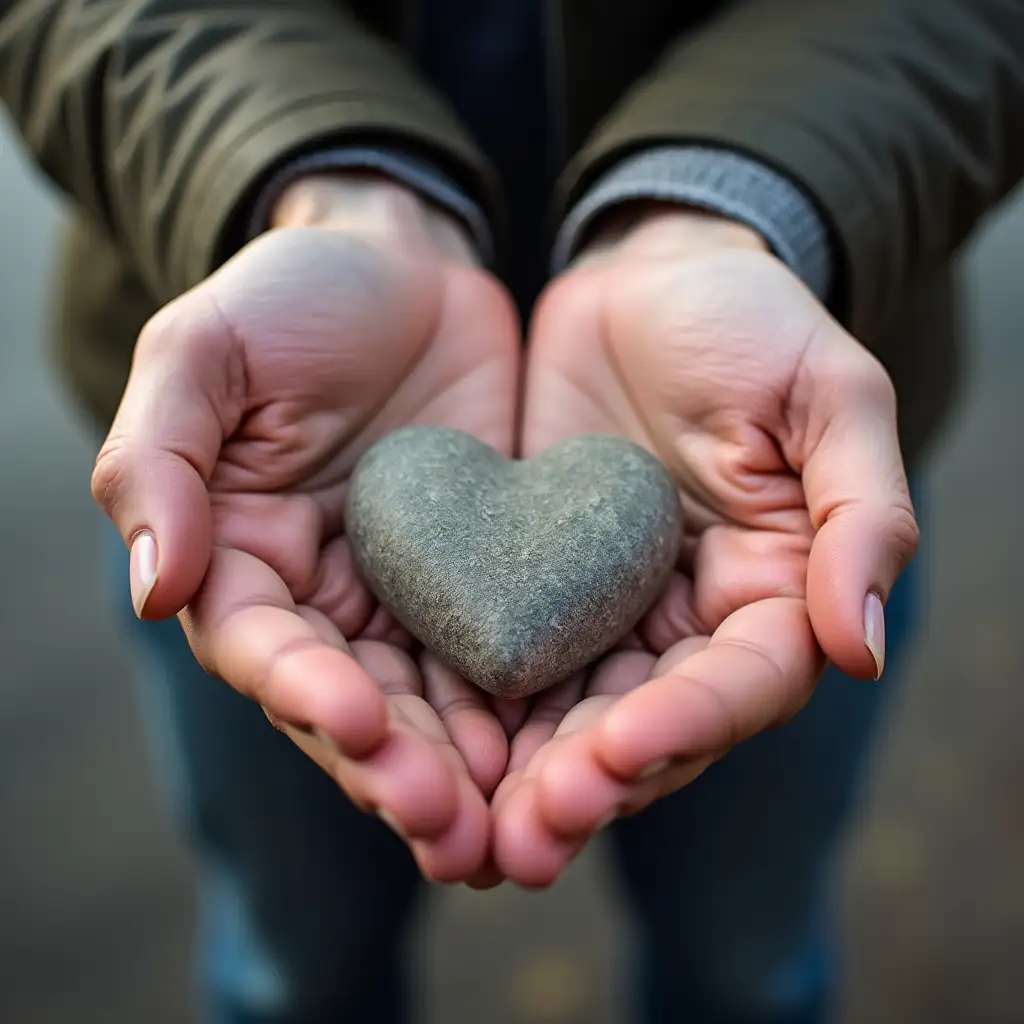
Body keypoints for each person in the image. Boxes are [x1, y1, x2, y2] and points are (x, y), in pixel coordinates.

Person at [2, 1, 1022, 1021]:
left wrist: (732, 204)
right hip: (262, 451)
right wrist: (310, 178)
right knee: (290, 971)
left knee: (745, 968)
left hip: (763, 464)